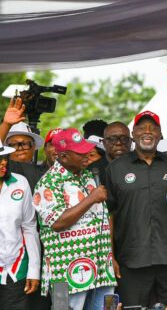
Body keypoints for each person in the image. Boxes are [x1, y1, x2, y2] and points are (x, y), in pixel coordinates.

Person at [105, 111, 167, 309]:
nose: (147, 132)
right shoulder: (116, 168)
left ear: (160, 134)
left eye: (153, 127)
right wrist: (110, 256)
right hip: (131, 260)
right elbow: (108, 215)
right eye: (142, 127)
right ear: (133, 133)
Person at [33, 128, 116, 309]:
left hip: (101, 269)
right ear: (63, 157)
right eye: (80, 152)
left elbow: (102, 219)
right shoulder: (48, 182)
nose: (87, 154)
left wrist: (111, 256)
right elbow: (57, 223)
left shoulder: (88, 175)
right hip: (64, 274)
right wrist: (91, 198)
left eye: (86, 149)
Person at [0, 141, 41, 309]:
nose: (3, 163)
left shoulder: (20, 182)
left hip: (15, 268)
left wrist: (34, 269)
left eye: (5, 158)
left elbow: (30, 228)